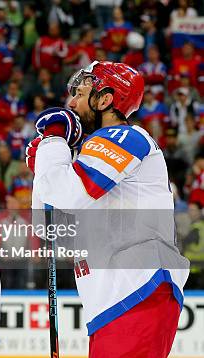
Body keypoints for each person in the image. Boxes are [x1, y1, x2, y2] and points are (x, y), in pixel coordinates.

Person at [28, 61, 190, 357]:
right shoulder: (91, 156)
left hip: (138, 291)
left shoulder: (127, 138)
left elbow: (68, 194)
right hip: (112, 301)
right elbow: (50, 228)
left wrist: (52, 144)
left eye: (79, 94)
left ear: (104, 100)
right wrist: (46, 167)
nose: (71, 103)